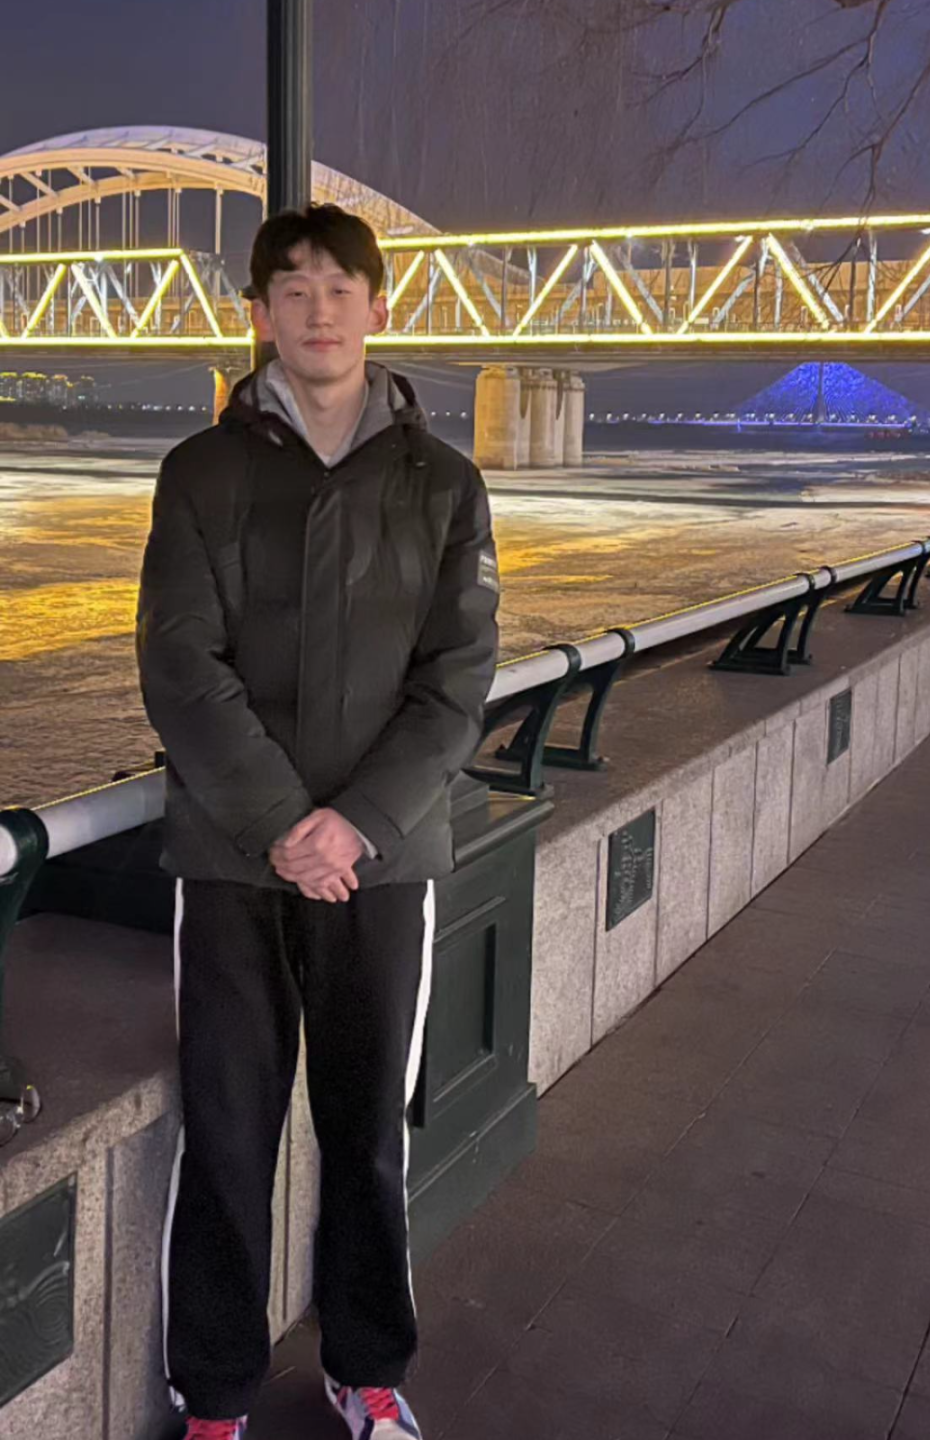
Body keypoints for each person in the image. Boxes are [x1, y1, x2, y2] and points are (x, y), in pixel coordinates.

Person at [136, 202, 500, 1440]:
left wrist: (356, 825)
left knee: (368, 1133)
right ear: (259, 315)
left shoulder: (445, 485)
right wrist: (288, 824)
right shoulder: (201, 473)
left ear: (379, 308)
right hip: (233, 861)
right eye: (291, 289)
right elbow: (179, 665)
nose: (318, 309)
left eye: (341, 287)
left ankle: (366, 1365)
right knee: (226, 1135)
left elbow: (458, 681)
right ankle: (216, 1393)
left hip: (382, 865)